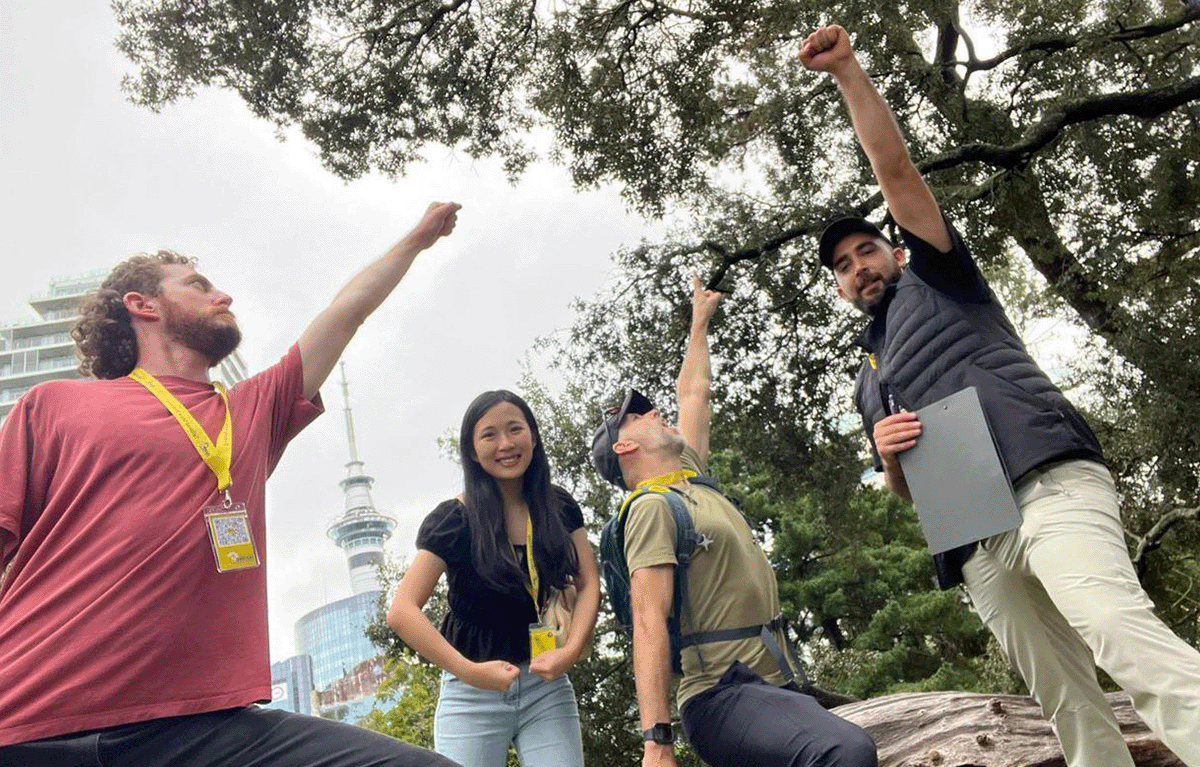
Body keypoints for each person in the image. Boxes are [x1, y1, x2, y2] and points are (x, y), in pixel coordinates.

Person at [800, 23, 1200, 767]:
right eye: (844, 265)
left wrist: (848, 71)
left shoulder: (943, 278)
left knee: (1120, 630)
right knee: (1067, 703)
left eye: (867, 249)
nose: (859, 265)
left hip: (1045, 480)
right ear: (839, 287)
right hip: (978, 543)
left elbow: (894, 173)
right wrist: (888, 459)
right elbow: (908, 491)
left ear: (894, 249)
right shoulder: (867, 374)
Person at [0, 203, 464, 767]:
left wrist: (413, 241)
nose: (224, 296)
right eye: (199, 285)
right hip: (28, 720)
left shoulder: (253, 410)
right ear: (142, 306)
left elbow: (346, 313)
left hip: (197, 731)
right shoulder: (53, 405)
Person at [590, 276, 877, 767]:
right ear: (623, 446)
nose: (657, 412)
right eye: (639, 415)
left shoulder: (692, 481)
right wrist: (657, 741)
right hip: (721, 696)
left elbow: (694, 394)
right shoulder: (650, 507)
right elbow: (647, 621)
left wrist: (699, 322)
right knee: (845, 752)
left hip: (774, 685)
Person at [387, 390, 599, 767]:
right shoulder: (453, 520)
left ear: (533, 437)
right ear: (471, 450)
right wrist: (468, 671)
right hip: (471, 691)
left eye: (515, 429)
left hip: (546, 687)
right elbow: (402, 610)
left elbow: (589, 583)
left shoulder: (559, 505)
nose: (506, 444)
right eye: (489, 435)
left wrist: (569, 652)